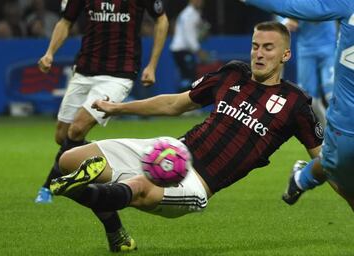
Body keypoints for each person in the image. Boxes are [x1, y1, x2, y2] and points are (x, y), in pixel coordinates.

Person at [48, 21, 323, 252]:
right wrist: (118, 107)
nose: (259, 54)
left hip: (196, 182)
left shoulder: (295, 103)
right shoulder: (233, 74)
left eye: (268, 48)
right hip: (171, 150)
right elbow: (174, 104)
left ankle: (88, 190)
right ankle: (114, 229)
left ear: (285, 55)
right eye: (255, 46)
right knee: (69, 160)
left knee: (140, 187)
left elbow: (324, 159)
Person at [34, 0, 169, 203]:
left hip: (119, 73)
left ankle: (48, 188)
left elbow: (162, 19)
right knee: (63, 137)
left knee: (77, 129)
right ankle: (103, 160)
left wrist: (152, 65)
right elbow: (65, 21)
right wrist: (50, 52)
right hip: (84, 70)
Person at [240, 0, 354, 210]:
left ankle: (303, 176)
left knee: (333, 161)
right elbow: (293, 8)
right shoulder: (346, 4)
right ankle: (310, 165)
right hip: (346, 123)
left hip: (327, 50)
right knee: (336, 164)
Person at [281, 18, 337, 127]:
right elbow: (284, 22)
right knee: (310, 100)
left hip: (328, 48)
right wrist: (287, 23)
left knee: (332, 95)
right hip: (305, 51)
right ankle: (326, 133)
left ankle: (343, 130)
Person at [170, 0, 210, 92]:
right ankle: (181, 103)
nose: (200, 2)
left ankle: (183, 103)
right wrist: (199, 52)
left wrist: (203, 32)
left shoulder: (194, 13)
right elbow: (189, 36)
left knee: (189, 77)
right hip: (182, 50)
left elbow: (197, 34)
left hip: (183, 50)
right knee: (189, 78)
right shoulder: (189, 14)